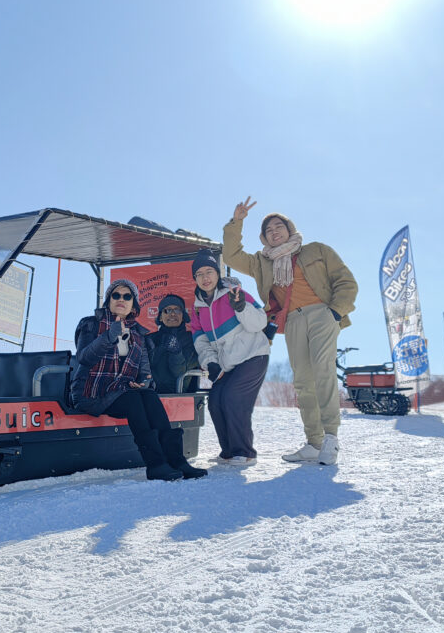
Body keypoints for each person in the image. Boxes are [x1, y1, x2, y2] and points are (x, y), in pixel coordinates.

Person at [222, 197, 358, 466]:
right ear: (264, 238)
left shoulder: (316, 250)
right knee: (303, 382)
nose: (274, 233)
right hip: (292, 321)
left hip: (322, 313)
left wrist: (334, 312)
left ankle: (331, 436)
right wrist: (237, 222)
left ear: (289, 228)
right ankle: (314, 442)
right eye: (268, 231)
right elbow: (231, 255)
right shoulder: (262, 263)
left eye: (278, 227)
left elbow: (346, 281)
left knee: (323, 371)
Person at [70, 279, 208, 481]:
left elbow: (144, 372)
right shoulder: (90, 325)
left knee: (149, 396)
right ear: (108, 300)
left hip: (120, 391)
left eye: (127, 296)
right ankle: (156, 464)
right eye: (116, 295)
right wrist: (108, 336)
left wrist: (144, 381)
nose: (121, 299)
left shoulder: (138, 334)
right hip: (92, 393)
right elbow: (84, 357)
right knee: (134, 400)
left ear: (133, 304)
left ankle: (176, 460)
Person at [188, 249, 270, 466]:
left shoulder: (235, 293)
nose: (205, 278)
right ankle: (229, 451)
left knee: (233, 397)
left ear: (218, 273)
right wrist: (211, 363)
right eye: (199, 274)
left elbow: (259, 323)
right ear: (195, 278)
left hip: (253, 355)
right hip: (227, 363)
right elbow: (200, 341)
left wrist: (242, 307)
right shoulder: (197, 308)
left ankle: (245, 452)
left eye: (209, 272)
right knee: (215, 400)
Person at [147, 294, 200, 393]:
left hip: (182, 397)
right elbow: (146, 368)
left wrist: (176, 352)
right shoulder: (150, 339)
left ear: (183, 316)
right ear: (160, 317)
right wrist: (160, 349)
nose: (172, 314)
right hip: (152, 395)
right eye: (167, 310)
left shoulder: (193, 339)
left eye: (177, 310)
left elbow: (180, 373)